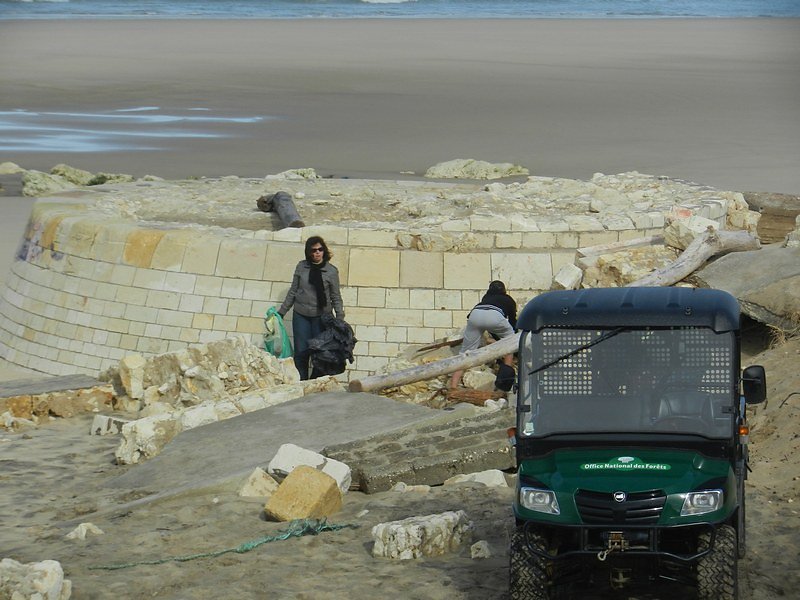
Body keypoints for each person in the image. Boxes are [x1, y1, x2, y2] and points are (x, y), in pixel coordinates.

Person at [278, 236, 345, 380]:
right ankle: (301, 384)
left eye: (320, 249)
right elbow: (293, 291)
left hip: (322, 318)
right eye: (314, 250)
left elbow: (335, 296)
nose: (317, 253)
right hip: (301, 315)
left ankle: (314, 386)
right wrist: (281, 312)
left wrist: (340, 318)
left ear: (324, 251)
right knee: (301, 352)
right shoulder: (302, 267)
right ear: (309, 252)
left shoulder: (331, 271)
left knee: (320, 354)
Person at [449, 280, 517, 390]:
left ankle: (453, 386)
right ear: (504, 290)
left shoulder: (486, 297)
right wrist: (511, 337)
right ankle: (504, 383)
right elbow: (513, 321)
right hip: (495, 316)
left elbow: (478, 318)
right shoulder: (507, 299)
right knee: (509, 345)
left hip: (475, 315)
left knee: (465, 353)